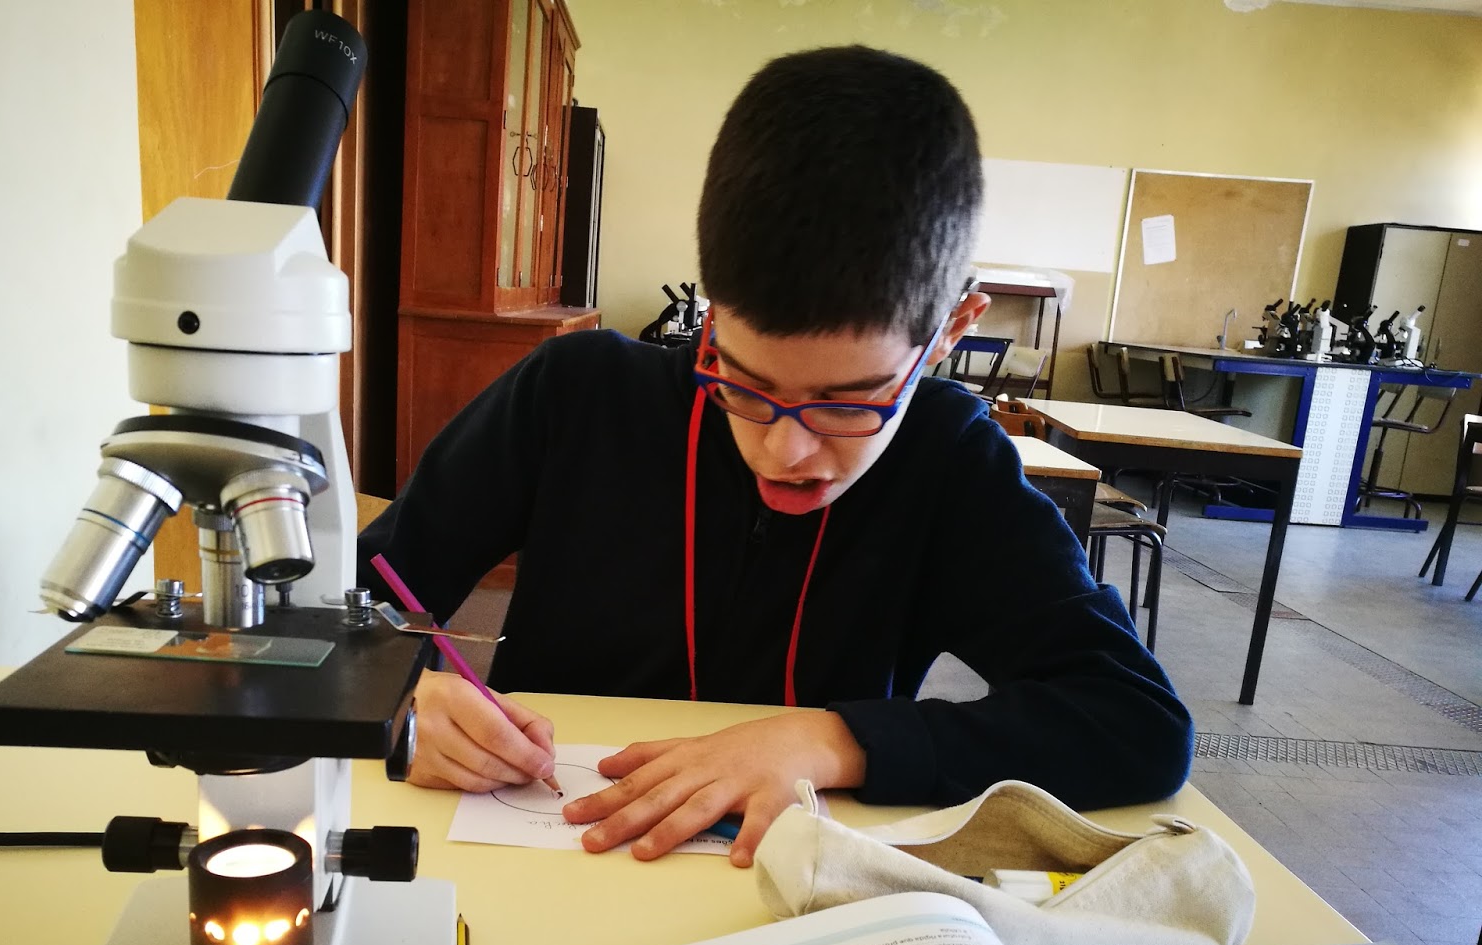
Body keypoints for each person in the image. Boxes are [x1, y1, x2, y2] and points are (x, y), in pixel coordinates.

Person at [359, 45, 1193, 868]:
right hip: (539, 856)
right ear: (712, 310)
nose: (782, 449)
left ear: (951, 331)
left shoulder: (950, 460)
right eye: (742, 381)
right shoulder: (575, 395)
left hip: (791, 891)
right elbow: (348, 602)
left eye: (848, 403)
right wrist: (401, 699)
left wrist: (832, 740)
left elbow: (1135, 721)